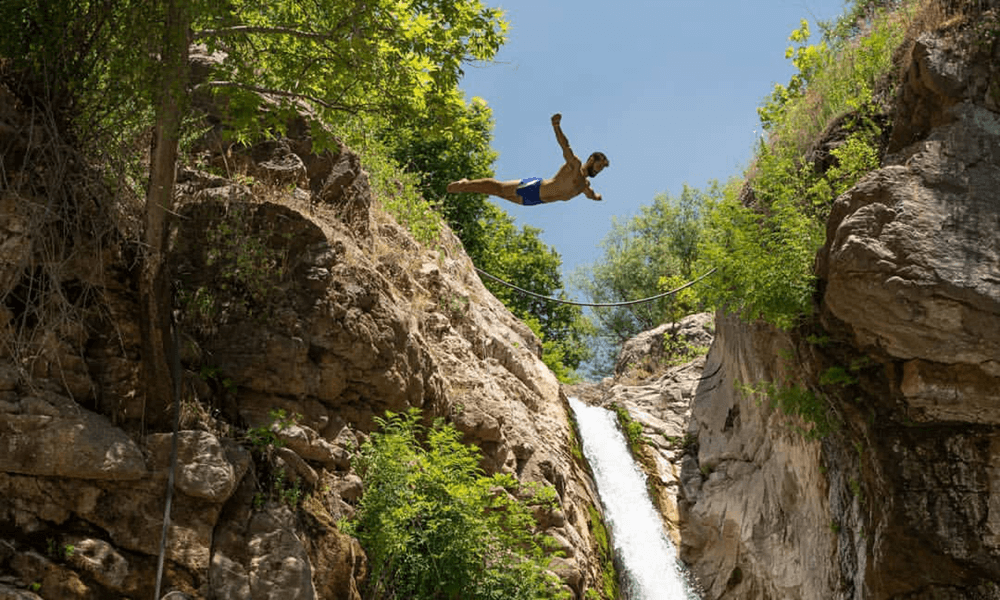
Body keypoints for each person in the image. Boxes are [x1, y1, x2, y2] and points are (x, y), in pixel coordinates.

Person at [446, 113, 609, 206]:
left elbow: (590, 194)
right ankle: (464, 184)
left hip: (534, 201)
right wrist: (556, 126)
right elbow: (566, 148)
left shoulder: (584, 186)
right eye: (599, 164)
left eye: (602, 168)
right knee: (499, 188)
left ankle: (467, 186)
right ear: (590, 159)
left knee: (498, 193)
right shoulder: (575, 165)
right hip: (535, 187)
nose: (599, 169)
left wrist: (597, 197)